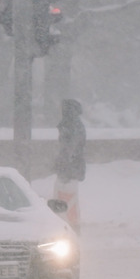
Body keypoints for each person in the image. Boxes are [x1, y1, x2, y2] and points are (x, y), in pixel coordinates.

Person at [52, 98, 86, 230]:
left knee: (64, 198)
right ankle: (71, 224)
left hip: (69, 169)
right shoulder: (75, 124)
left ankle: (69, 226)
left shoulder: (71, 125)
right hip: (73, 168)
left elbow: (69, 148)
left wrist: (63, 164)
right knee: (68, 198)